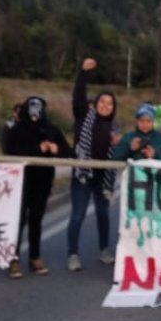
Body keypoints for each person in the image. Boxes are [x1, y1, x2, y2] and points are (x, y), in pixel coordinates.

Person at [3, 96, 70, 279]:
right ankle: (13, 258)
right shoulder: (18, 129)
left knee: (36, 219)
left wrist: (56, 148)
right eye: (31, 108)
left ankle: (35, 257)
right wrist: (36, 148)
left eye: (38, 108)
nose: (34, 113)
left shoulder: (50, 128)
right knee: (18, 220)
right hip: (21, 181)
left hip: (43, 180)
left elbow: (68, 152)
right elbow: (10, 149)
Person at [68, 57, 120, 272]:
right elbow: (78, 97)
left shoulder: (114, 127)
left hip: (102, 178)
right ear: (95, 104)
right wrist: (83, 73)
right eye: (102, 102)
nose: (105, 106)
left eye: (109, 104)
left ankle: (104, 250)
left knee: (103, 214)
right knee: (78, 214)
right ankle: (73, 254)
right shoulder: (84, 117)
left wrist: (121, 143)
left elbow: (124, 149)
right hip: (82, 175)